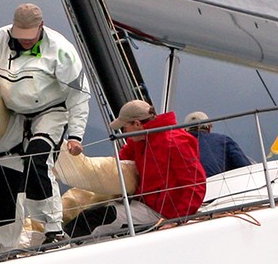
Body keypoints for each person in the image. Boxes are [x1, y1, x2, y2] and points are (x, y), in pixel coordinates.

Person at [0, 3, 91, 248]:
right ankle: (6, 243)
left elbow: (78, 97)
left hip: (52, 111)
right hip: (14, 113)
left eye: (30, 36)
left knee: (37, 158)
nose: (24, 41)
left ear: (41, 28)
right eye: (20, 36)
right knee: (6, 171)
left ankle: (53, 229)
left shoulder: (61, 51)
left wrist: (76, 135)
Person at [67, 100, 205, 238]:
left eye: (124, 127)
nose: (123, 132)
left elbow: (195, 184)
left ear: (137, 124)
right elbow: (117, 164)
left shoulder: (176, 142)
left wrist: (177, 219)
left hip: (163, 213)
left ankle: (66, 249)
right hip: (143, 204)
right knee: (88, 215)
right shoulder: (139, 141)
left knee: (93, 220)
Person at [183, 111, 251, 177]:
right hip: (218, 185)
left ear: (185, 131)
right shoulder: (223, 140)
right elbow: (247, 169)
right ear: (209, 128)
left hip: (188, 187)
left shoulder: (177, 147)